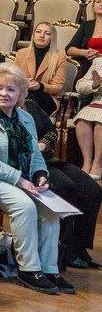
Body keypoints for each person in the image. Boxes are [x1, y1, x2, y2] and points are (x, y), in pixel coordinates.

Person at [0, 63, 70, 294]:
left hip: (20, 176)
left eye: (11, 89)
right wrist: (19, 179)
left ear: (20, 93)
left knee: (50, 210)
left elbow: (35, 154)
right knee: (24, 205)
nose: (4, 94)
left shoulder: (26, 117)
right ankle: (28, 269)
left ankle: (49, 269)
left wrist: (40, 175)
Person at [20, 97, 102, 271]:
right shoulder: (3, 112)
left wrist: (44, 144)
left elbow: (52, 131)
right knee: (66, 186)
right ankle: (62, 248)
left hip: (48, 159)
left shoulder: (31, 104)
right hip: (29, 164)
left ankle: (78, 246)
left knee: (92, 189)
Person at [13, 21, 67, 115]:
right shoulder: (21, 53)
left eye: (47, 33)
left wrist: (40, 86)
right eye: (38, 32)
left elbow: (57, 87)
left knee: (30, 98)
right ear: (33, 35)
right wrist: (25, 83)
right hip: (23, 93)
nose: (42, 36)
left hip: (47, 97)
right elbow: (12, 78)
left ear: (52, 38)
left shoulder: (59, 57)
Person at [73, 56, 102, 179]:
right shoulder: (98, 61)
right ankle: (87, 162)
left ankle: (98, 164)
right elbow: (79, 86)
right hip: (97, 102)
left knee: (100, 122)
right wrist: (94, 84)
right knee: (82, 120)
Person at [65, 0, 102, 67]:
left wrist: (99, 57)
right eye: (98, 2)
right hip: (87, 65)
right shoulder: (86, 25)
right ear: (93, 6)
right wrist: (84, 52)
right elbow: (69, 49)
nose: (101, 4)